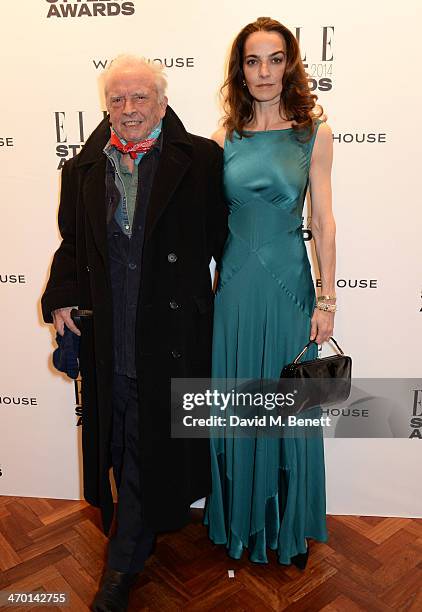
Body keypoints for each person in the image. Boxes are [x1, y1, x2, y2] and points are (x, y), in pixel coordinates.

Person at [41, 55, 227, 612]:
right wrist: (62, 297)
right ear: (107, 107)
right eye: (117, 99)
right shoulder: (83, 170)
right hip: (110, 332)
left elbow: (226, 242)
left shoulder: (200, 161)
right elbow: (72, 244)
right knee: (121, 438)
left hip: (169, 334)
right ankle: (138, 529)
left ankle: (123, 560)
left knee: (148, 440)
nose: (128, 109)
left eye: (139, 97)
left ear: (162, 103)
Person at [204, 17, 336, 568]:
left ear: (291, 64)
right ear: (240, 69)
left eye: (275, 58)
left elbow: (324, 221)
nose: (264, 72)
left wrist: (327, 299)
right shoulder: (220, 140)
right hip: (233, 288)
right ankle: (240, 523)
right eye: (253, 61)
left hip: (289, 288)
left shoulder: (314, 133)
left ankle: (286, 526)